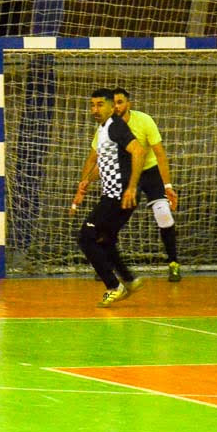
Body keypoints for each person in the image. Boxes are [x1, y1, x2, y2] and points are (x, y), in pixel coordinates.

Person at [71, 88, 146, 307]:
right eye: (92, 105)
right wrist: (87, 181)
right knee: (105, 238)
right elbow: (106, 164)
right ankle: (129, 280)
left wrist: (131, 187)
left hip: (119, 195)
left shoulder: (116, 126)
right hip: (113, 193)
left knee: (86, 236)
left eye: (100, 105)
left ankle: (114, 286)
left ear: (112, 107)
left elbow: (139, 151)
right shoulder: (103, 129)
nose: (95, 109)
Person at [113, 87, 181, 281]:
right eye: (114, 103)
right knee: (113, 218)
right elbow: (98, 156)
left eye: (120, 102)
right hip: (125, 174)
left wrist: (167, 186)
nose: (117, 106)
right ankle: (108, 263)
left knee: (164, 214)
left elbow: (160, 154)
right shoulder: (107, 126)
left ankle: (174, 263)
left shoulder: (144, 121)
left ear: (128, 104)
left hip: (150, 172)